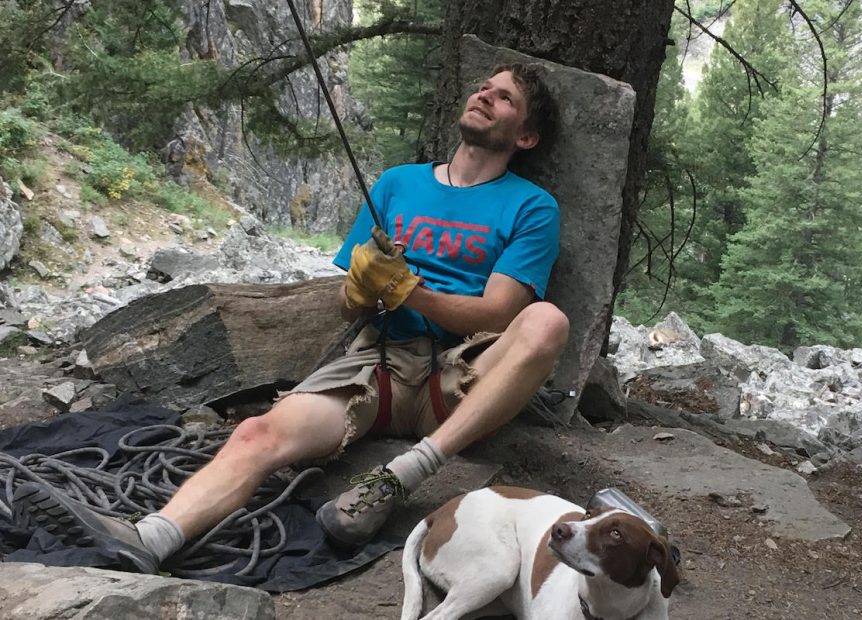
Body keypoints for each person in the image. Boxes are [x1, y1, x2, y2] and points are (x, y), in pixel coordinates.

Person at [12, 62, 568, 571]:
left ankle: (403, 473)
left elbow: (501, 311)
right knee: (259, 432)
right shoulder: (400, 183)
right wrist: (364, 284)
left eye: (504, 99)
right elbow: (346, 305)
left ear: (525, 137)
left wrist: (408, 291)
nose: (485, 96)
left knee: (547, 322)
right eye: (483, 87)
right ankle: (150, 539)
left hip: (460, 376)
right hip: (380, 363)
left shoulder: (531, 206)